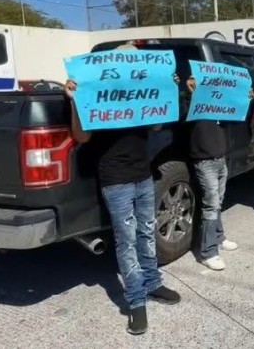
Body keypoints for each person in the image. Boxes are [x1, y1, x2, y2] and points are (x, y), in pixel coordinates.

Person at [64, 78, 181, 336]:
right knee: (127, 241)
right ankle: (136, 301)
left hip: (143, 175)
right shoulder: (97, 96)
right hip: (115, 180)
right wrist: (75, 102)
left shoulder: (139, 96)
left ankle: (152, 284)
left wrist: (165, 89)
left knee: (147, 233)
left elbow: (157, 124)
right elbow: (81, 136)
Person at [178, 75, 243, 271]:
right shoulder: (191, 103)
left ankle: (218, 236)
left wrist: (244, 98)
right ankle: (208, 252)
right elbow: (181, 116)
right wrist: (187, 92)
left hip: (220, 159)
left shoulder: (219, 103)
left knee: (217, 203)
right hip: (204, 161)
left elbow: (235, 117)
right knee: (211, 204)